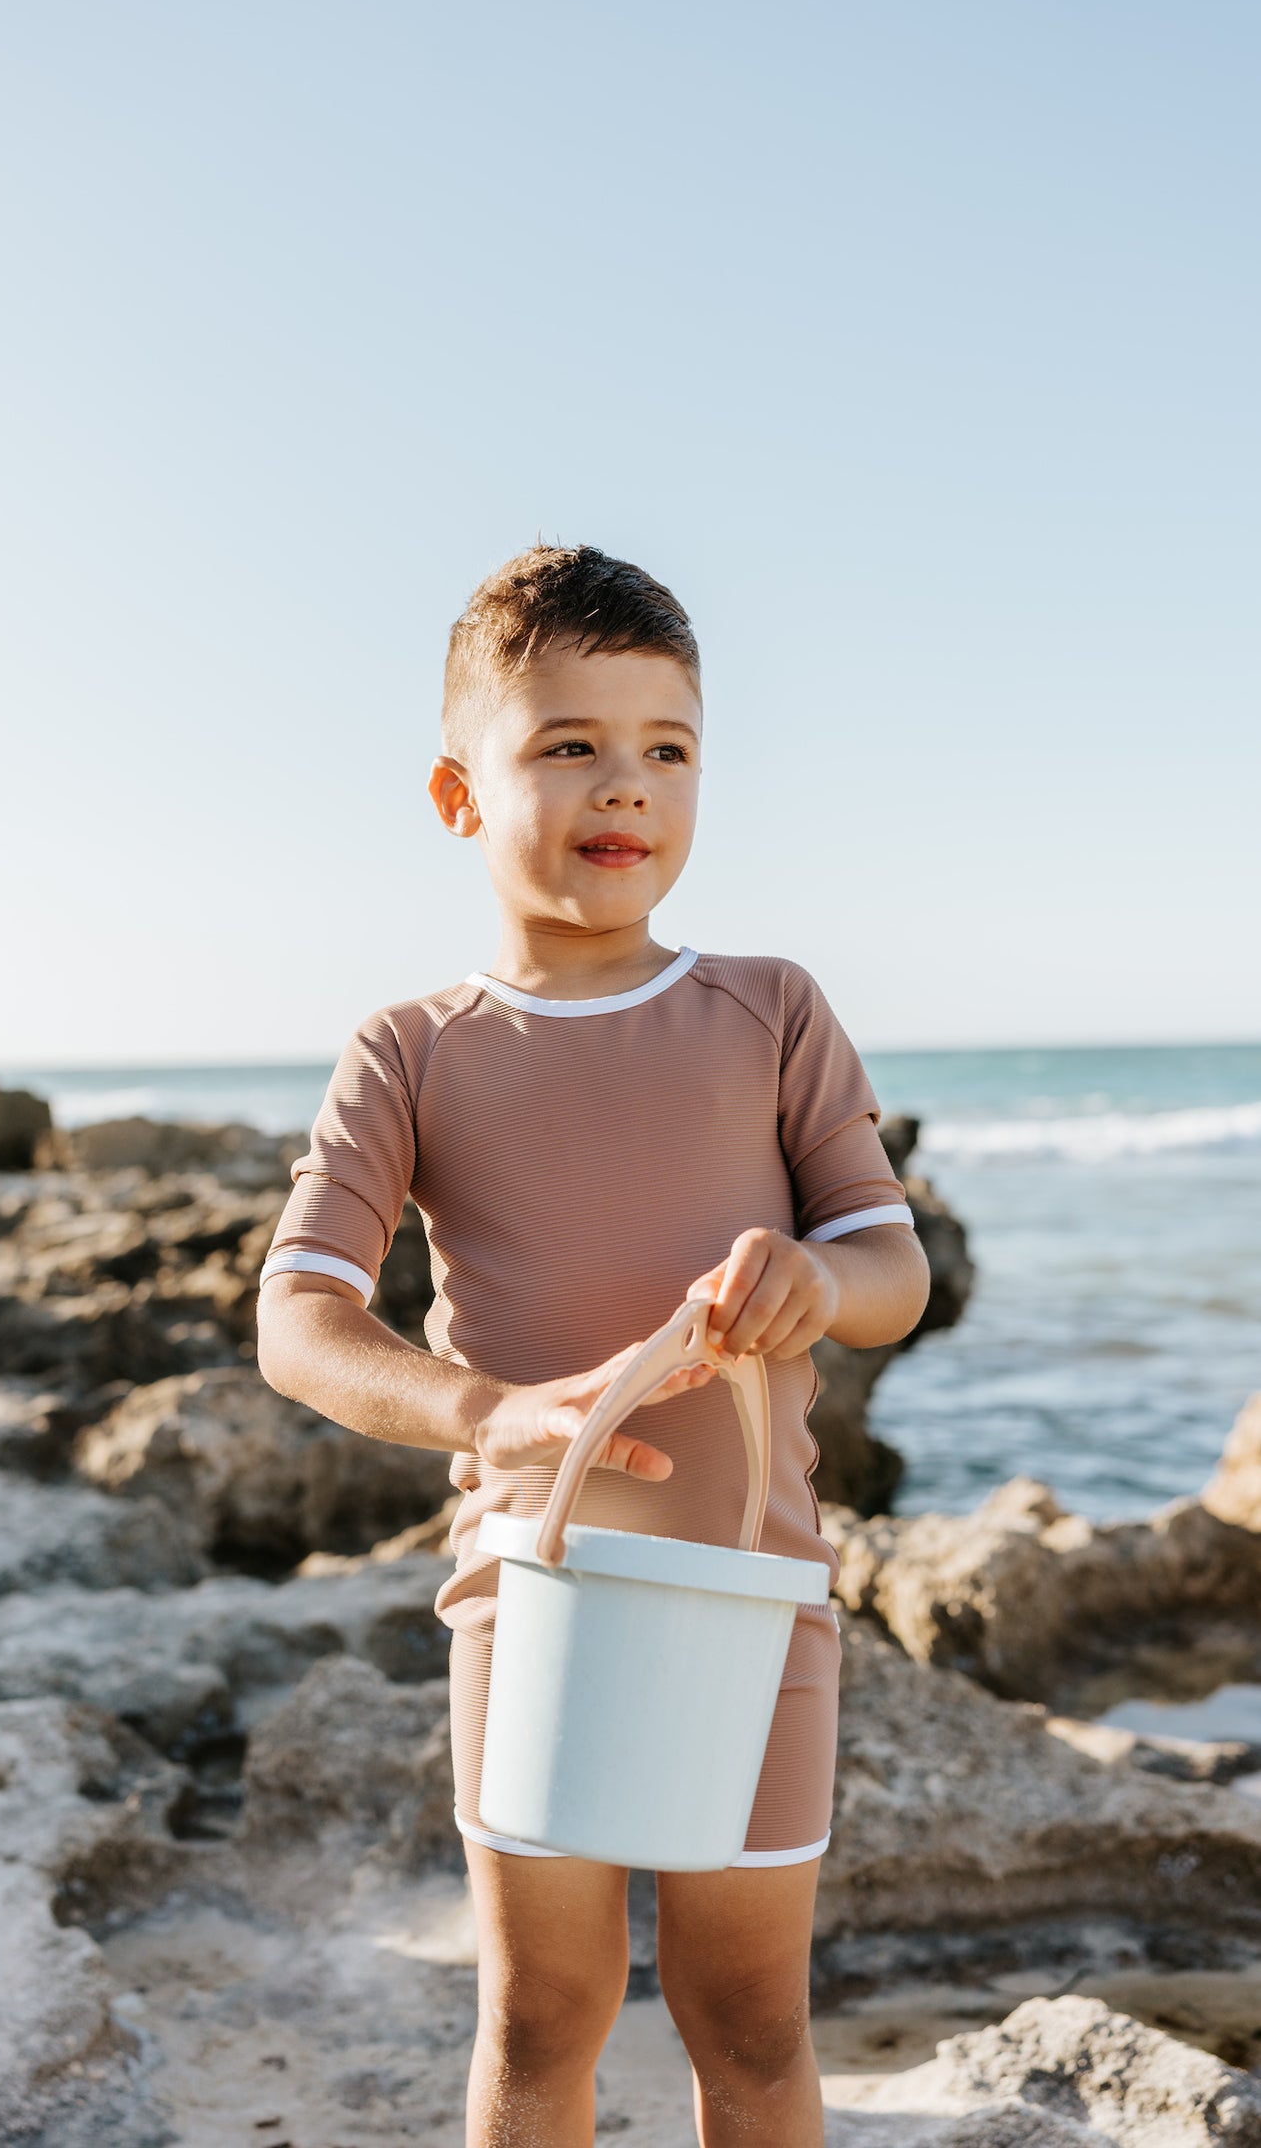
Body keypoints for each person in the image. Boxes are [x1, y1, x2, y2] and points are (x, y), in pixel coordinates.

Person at [257, 543, 930, 2147]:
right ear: (457, 792)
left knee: (751, 2024)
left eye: (666, 749)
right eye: (567, 744)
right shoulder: (409, 1053)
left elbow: (886, 1258)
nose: (623, 785)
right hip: (534, 1598)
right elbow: (299, 1320)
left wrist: (819, 1289)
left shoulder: (770, 1010)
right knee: (542, 2019)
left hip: (756, 1605)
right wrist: (480, 1411)